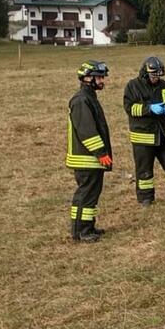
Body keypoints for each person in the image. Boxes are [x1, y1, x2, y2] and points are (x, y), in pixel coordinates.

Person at [122, 56, 165, 205]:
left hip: (164, 134)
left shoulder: (164, 85)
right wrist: (149, 109)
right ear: (145, 73)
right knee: (144, 169)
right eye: (153, 76)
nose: (156, 79)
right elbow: (129, 108)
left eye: (158, 75)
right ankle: (146, 198)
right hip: (143, 136)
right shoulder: (133, 86)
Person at [66, 60, 113, 242]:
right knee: (85, 195)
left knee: (92, 194)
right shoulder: (81, 100)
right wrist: (100, 153)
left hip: (91, 158)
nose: (102, 81)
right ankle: (80, 232)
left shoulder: (89, 97)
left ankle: (88, 226)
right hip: (86, 158)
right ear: (87, 78)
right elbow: (87, 130)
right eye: (99, 77)